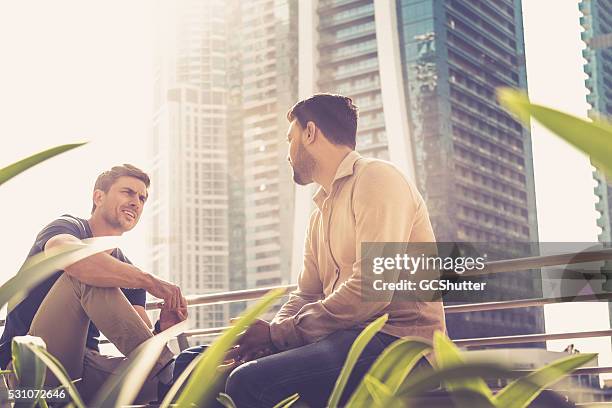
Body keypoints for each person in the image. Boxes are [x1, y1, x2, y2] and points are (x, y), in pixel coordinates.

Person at [166, 94, 446, 407]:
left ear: (310, 133)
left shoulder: (377, 179)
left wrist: (278, 336)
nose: (287, 152)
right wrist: (274, 336)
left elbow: (371, 289)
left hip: (396, 344)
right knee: (190, 364)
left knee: (248, 380)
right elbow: (306, 293)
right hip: (337, 337)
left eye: (290, 138)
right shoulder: (319, 214)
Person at [0, 164, 187, 404]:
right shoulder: (68, 227)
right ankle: (168, 372)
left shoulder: (129, 273)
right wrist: (150, 281)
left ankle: (176, 376)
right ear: (99, 196)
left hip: (84, 368)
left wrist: (162, 331)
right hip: (30, 366)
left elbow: (139, 342)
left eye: (142, 198)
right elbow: (71, 258)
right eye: (128, 192)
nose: (136, 202)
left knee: (169, 381)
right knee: (85, 271)